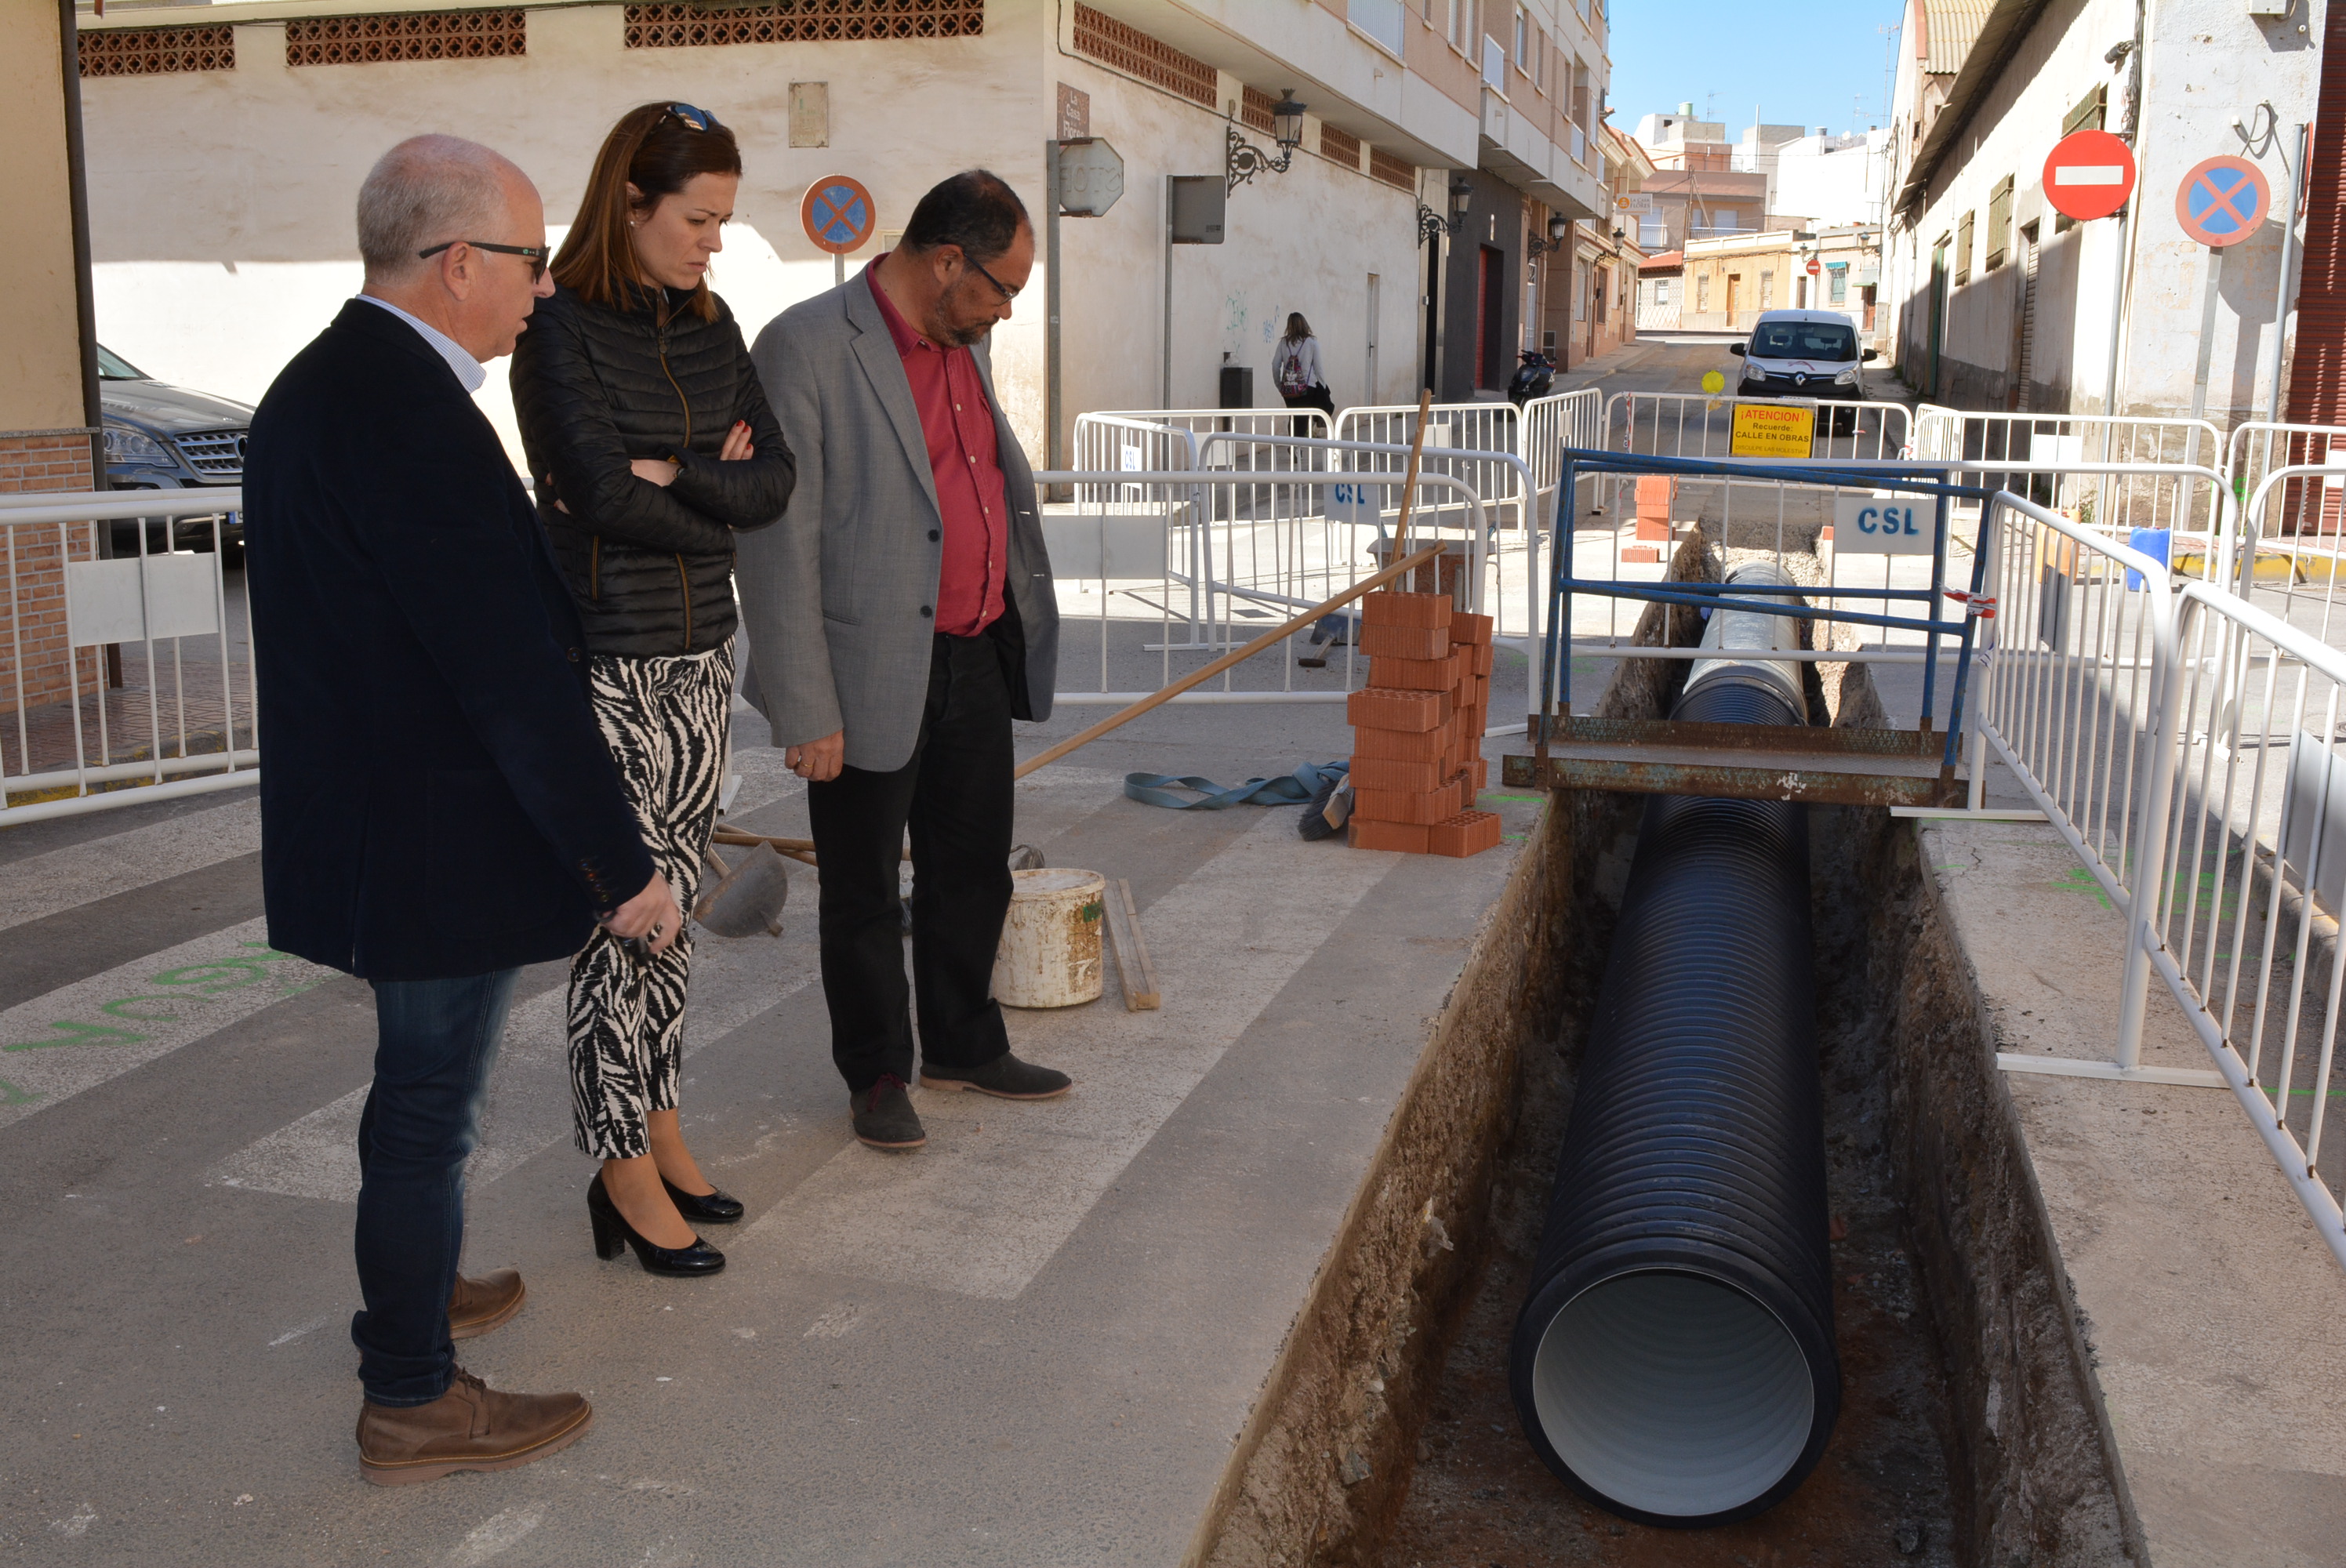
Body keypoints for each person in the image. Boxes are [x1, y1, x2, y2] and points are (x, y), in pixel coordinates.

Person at [244, 134, 680, 1484]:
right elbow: (504, 679)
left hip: (384, 821)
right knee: (430, 1108)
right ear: (453, 266)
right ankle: (412, 1395)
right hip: (431, 832)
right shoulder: (404, 412)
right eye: (530, 262)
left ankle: (410, 1296)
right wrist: (623, 867)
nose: (544, 290)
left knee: (425, 1101)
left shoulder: (330, 382)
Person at [510, 102, 795, 1278]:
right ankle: (619, 1162)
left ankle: (662, 1125)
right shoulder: (558, 332)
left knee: (672, 913)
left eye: (723, 221)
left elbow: (773, 481)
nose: (713, 244)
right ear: (629, 203)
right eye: (696, 219)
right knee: (623, 922)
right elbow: (587, 491)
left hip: (698, 658)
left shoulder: (716, 323)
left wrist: (671, 471)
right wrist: (694, 494)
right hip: (607, 663)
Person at [736, 169, 1068, 1152]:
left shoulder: (965, 340)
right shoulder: (805, 345)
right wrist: (804, 706)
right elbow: (778, 540)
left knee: (973, 871)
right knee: (865, 889)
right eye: (1000, 286)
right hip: (864, 668)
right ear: (945, 260)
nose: (1007, 308)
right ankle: (878, 1071)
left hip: (970, 652)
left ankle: (966, 1041)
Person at [1273, 313, 1334, 430]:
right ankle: (1297, 445)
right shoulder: (1312, 342)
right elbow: (1318, 368)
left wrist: (1279, 385)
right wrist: (1323, 387)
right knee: (1303, 418)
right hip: (1307, 386)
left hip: (1288, 387)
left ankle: (1293, 445)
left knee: (1293, 417)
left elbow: (1275, 365)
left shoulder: (1283, 343)